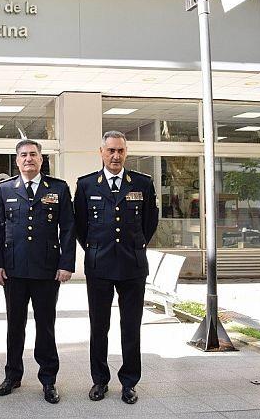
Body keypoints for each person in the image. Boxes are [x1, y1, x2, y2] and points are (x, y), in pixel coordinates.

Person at [73, 130, 158, 405]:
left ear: (126, 152)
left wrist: (135, 246)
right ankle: (100, 380)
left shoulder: (142, 183)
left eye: (120, 150)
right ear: (101, 152)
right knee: (99, 326)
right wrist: (96, 249)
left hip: (133, 265)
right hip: (99, 265)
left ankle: (129, 382)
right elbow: (81, 226)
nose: (116, 156)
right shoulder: (86, 184)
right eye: (111, 150)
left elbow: (150, 222)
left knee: (131, 327)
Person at [0, 139, 76, 404]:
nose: (28, 159)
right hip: (14, 270)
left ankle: (48, 379)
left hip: (47, 270)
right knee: (15, 326)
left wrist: (66, 264)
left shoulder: (58, 188)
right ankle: (12, 375)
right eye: (24, 155)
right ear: (17, 161)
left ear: (41, 159)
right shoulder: (5, 189)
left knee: (45, 326)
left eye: (33, 154)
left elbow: (68, 228)